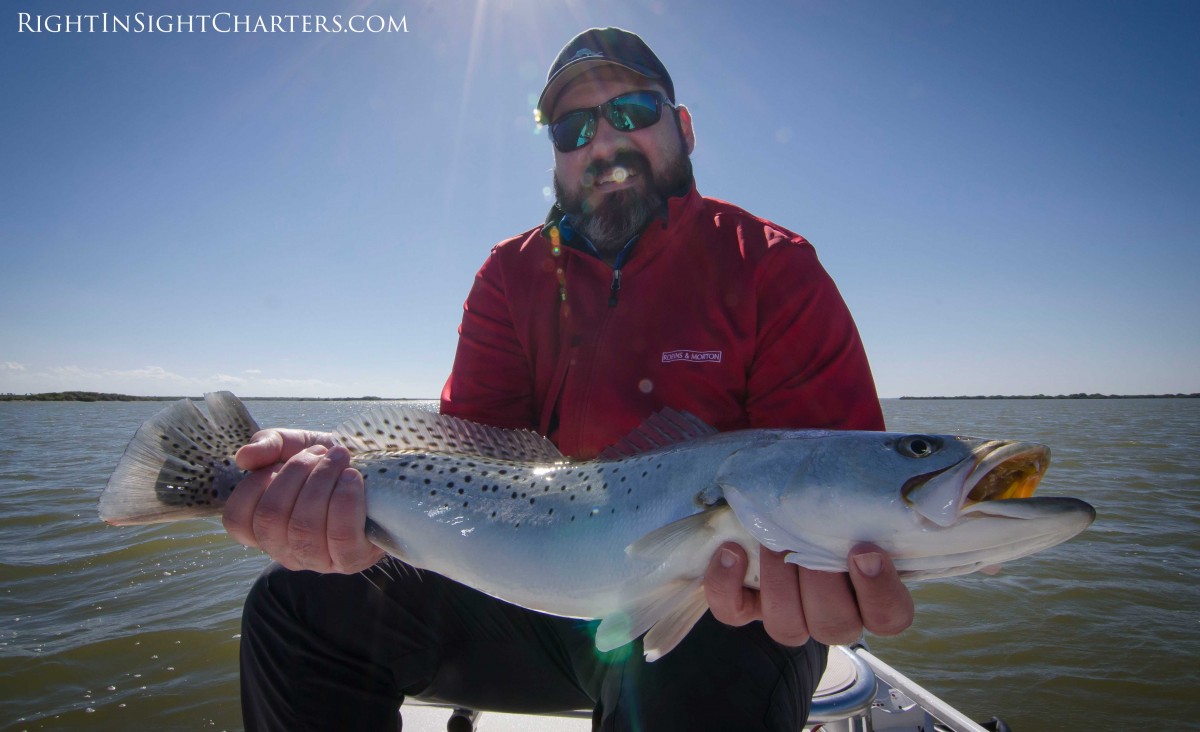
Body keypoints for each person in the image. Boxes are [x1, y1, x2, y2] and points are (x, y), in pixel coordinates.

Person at [223, 27, 914, 731]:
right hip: (534, 596)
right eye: (573, 127)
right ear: (555, 155)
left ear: (684, 127)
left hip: (722, 604)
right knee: (293, 605)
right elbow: (470, 460)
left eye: (633, 112)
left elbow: (831, 475)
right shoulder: (509, 275)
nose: (604, 143)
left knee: (700, 686)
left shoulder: (772, 267)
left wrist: (832, 574)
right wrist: (350, 485)